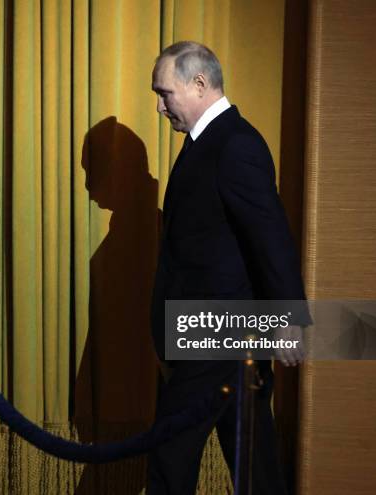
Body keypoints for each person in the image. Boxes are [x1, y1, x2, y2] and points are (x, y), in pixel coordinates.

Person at [147, 41, 307, 494]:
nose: (160, 107)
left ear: (199, 84)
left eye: (165, 93)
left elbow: (270, 235)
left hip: (216, 334)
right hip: (214, 336)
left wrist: (289, 319)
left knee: (170, 457)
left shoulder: (235, 144)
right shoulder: (207, 143)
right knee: (255, 463)